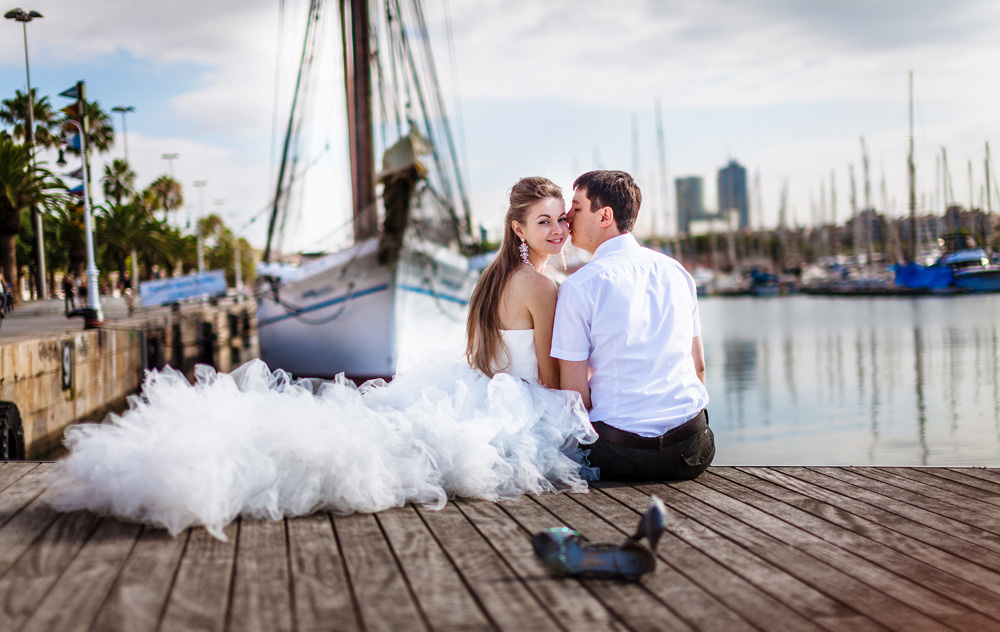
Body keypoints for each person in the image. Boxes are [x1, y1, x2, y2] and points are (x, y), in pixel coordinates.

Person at [49, 177, 596, 540]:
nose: (555, 230)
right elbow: (550, 377)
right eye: (543, 221)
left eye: (560, 220)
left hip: (479, 389)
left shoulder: (496, 278)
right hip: (514, 403)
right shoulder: (542, 288)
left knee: (379, 441)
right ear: (517, 228)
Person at [551, 170, 714, 481]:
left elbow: (575, 394)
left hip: (621, 457)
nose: (567, 217)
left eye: (577, 207)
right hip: (692, 453)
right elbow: (699, 368)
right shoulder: (678, 273)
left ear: (605, 216)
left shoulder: (580, 286)